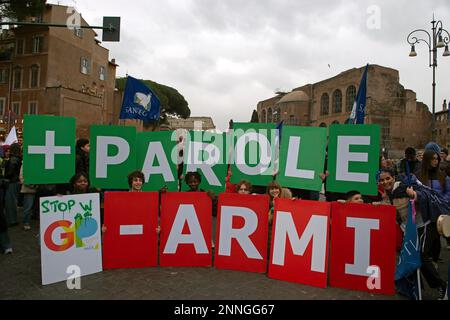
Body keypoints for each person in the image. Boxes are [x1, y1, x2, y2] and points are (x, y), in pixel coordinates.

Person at [377, 168, 448, 299]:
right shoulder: (387, 194)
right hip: (408, 230)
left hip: (424, 225)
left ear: (393, 178)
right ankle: (414, 288)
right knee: (409, 258)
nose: (385, 182)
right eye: (382, 180)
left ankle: (442, 287)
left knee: (421, 257)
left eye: (388, 178)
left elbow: (424, 193)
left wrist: (414, 195)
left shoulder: (405, 185)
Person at [417, 149, 450, 263]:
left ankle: (435, 260)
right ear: (427, 160)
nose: (435, 161)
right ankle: (430, 260)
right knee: (429, 239)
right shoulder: (419, 175)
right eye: (433, 159)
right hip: (425, 213)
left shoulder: (442, 174)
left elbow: (448, 192)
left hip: (440, 212)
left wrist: (442, 202)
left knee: (437, 238)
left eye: (437, 158)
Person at [4, 143, 22, 226]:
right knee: (13, 201)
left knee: (10, 202)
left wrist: (6, 176)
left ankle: (12, 220)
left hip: (12, 182)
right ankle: (13, 219)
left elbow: (10, 172)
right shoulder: (18, 158)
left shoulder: (13, 159)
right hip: (16, 182)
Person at [19, 165, 37, 231]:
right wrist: (33, 185)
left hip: (39, 189)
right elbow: (22, 178)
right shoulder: (25, 164)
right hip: (29, 190)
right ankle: (25, 223)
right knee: (28, 207)